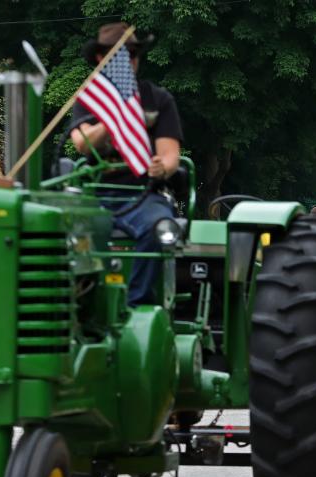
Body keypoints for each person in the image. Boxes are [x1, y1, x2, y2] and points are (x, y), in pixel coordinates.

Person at [71, 22, 182, 306]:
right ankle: (80, 308)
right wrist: (114, 115)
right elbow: (81, 143)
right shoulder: (88, 100)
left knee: (161, 227)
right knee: (60, 234)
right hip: (94, 197)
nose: (127, 61)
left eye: (131, 54)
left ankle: (136, 308)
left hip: (144, 195)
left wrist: (162, 167)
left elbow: (170, 155)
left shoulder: (158, 99)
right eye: (117, 56)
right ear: (100, 58)